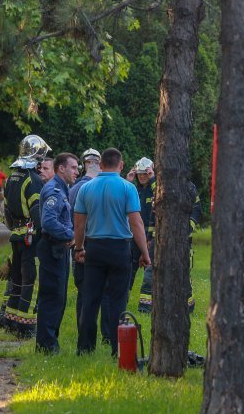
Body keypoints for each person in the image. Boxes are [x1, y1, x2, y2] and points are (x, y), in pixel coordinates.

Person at [73, 148, 150, 356]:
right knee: (118, 299)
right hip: (119, 248)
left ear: (100, 164)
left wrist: (79, 248)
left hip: (94, 247)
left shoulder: (86, 189)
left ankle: (85, 347)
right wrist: (145, 252)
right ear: (121, 165)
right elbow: (136, 223)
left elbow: (79, 225)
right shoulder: (128, 188)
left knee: (90, 299)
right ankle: (118, 348)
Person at [0, 135, 51, 338]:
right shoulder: (32, 179)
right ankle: (25, 327)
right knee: (31, 282)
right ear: (37, 155)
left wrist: (16, 229)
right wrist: (42, 234)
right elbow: (37, 212)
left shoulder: (12, 177)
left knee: (17, 280)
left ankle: (11, 321)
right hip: (31, 238)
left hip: (16, 236)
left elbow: (6, 213)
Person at [137, 173, 201, 314]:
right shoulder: (161, 186)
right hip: (159, 239)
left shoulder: (189, 187)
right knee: (150, 272)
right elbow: (154, 214)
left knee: (182, 273)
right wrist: (149, 237)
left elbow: (196, 209)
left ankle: (187, 307)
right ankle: (145, 307)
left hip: (181, 239)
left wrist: (188, 227)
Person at [35, 153, 79, 353]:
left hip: (59, 249)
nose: (77, 172)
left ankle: (51, 341)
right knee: (52, 297)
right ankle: (47, 345)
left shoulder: (63, 189)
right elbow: (49, 222)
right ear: (61, 168)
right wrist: (70, 234)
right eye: (73, 168)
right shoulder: (54, 190)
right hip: (53, 248)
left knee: (58, 297)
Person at [67, 148, 110, 339]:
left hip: (79, 247)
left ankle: (84, 334)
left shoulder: (74, 188)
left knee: (84, 293)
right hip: (100, 246)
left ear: (84, 165)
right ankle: (108, 336)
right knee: (104, 293)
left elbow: (73, 222)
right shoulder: (102, 187)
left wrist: (77, 246)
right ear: (99, 164)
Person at [128, 157, 156, 291]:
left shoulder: (155, 188)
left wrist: (153, 179)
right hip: (134, 233)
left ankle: (147, 303)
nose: (142, 177)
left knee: (150, 268)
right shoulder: (134, 190)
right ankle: (125, 294)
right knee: (129, 266)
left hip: (150, 234)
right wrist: (128, 181)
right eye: (140, 174)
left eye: (145, 174)